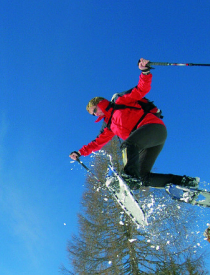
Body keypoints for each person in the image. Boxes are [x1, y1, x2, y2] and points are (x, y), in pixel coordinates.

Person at [70, 58, 198, 189]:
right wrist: (80, 153)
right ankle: (185, 182)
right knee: (143, 177)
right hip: (148, 144)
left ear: (100, 103)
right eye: (93, 114)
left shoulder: (120, 102)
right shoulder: (108, 126)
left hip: (154, 128)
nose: (95, 114)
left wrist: (145, 72)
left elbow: (141, 89)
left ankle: (129, 178)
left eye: (95, 110)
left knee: (128, 145)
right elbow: (97, 143)